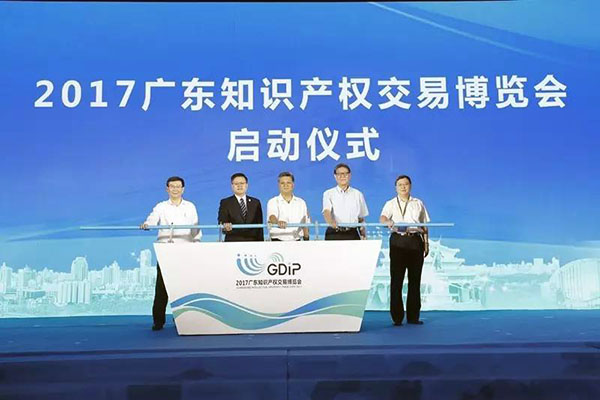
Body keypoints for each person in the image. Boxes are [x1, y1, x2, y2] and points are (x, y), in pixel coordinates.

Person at [140, 176, 201, 331]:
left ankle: (183, 319)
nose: (175, 189)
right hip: (165, 251)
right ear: (167, 189)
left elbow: (195, 227)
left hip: (185, 250)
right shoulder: (161, 206)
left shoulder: (190, 206)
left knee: (184, 286)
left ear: (183, 189)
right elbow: (152, 219)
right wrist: (147, 224)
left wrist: (196, 244)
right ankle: (158, 321)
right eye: (172, 186)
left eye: (178, 186)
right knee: (162, 287)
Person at [379, 175, 430, 326]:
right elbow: (382, 218)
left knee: (415, 280)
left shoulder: (418, 203)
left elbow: (424, 225)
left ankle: (413, 317)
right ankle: (397, 317)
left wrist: (426, 243)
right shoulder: (390, 203)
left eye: (406, 184)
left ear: (410, 186)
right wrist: (387, 221)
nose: (403, 187)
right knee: (396, 280)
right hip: (398, 241)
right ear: (396, 187)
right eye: (400, 185)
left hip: (415, 240)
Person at [322, 163, 368, 240]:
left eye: (345, 174)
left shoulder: (358, 194)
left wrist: (363, 234)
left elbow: (361, 218)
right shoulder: (328, 193)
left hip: (352, 233)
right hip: (334, 233)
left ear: (349, 175)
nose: (342, 176)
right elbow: (326, 211)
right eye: (339, 174)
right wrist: (331, 223)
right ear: (335, 176)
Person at [218, 173, 264, 242]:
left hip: (253, 241)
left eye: (242, 183)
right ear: (232, 186)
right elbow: (222, 221)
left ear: (247, 185)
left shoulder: (255, 202)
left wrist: (261, 243)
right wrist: (225, 226)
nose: (239, 186)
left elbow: (260, 226)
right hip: (233, 241)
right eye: (236, 184)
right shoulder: (225, 202)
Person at [267, 172, 310, 241]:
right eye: (282, 183)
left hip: (297, 241)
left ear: (293, 185)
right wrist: (278, 222)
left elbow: (305, 222)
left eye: (288, 183)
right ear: (279, 185)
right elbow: (272, 217)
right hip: (277, 241)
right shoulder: (273, 201)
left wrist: (306, 239)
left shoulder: (301, 202)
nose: (285, 185)